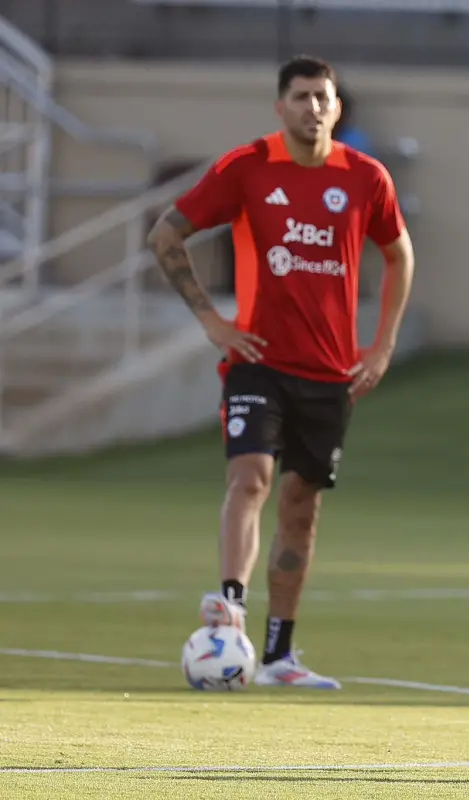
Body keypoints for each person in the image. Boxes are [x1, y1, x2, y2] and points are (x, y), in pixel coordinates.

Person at [148, 55, 415, 689]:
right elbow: (167, 234)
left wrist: (380, 348)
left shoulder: (365, 177)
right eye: (300, 96)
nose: (313, 107)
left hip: (329, 373)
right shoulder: (248, 167)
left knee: (301, 507)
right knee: (250, 477)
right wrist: (213, 321)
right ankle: (229, 605)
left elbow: (399, 255)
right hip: (257, 362)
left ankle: (278, 658)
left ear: (337, 108)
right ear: (280, 106)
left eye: (323, 97)